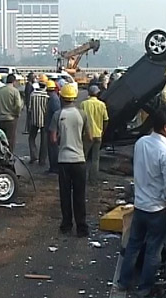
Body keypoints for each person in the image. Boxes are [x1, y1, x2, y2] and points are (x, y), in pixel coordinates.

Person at [118, 106, 166, 298]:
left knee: (134, 244)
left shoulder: (141, 142)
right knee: (153, 250)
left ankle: (123, 282)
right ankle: (144, 288)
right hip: (157, 208)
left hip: (140, 203)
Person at [49, 83, 91, 238]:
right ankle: (82, 227)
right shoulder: (82, 114)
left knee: (65, 195)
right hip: (79, 160)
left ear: (62, 97)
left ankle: (66, 224)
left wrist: (62, 140)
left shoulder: (57, 115)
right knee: (79, 195)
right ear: (74, 97)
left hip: (64, 160)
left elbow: (53, 139)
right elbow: (90, 136)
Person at [81, 85, 109, 184]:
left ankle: (81, 178)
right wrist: (102, 131)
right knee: (95, 159)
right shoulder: (102, 104)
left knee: (83, 157)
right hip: (98, 134)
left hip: (87, 134)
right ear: (97, 93)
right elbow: (106, 120)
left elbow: (81, 119)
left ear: (89, 93)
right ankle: (93, 179)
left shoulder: (84, 104)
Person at [0, 74, 23, 151]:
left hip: (1, 117)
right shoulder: (15, 91)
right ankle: (10, 155)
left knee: (2, 138)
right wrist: (16, 113)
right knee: (11, 138)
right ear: (14, 81)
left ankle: (2, 153)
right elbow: (18, 105)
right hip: (11, 118)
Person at [28, 79, 49, 165]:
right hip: (44, 120)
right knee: (44, 141)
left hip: (34, 119)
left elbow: (30, 108)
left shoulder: (33, 94)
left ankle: (33, 156)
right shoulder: (47, 96)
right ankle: (42, 160)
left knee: (31, 138)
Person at [45, 80, 61, 174]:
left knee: (53, 148)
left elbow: (56, 114)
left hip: (52, 128)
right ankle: (53, 167)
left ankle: (54, 167)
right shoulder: (53, 98)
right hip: (51, 127)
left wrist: (55, 130)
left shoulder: (54, 99)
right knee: (51, 148)